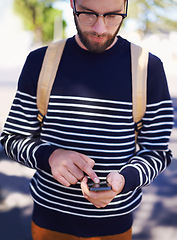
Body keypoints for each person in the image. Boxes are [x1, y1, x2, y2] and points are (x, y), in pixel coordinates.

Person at [0, 0, 174, 239]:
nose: (100, 28)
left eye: (113, 15)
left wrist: (125, 179)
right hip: (49, 222)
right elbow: (12, 138)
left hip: (115, 225)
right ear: (72, 3)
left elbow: (157, 151)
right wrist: (50, 156)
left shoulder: (148, 67)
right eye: (88, 14)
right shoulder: (40, 62)